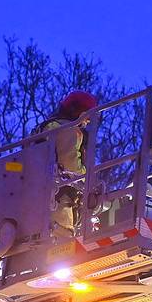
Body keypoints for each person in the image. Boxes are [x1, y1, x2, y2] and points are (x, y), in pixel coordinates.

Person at [34, 91, 98, 235]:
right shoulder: (69, 131)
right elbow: (71, 167)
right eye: (86, 116)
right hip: (58, 199)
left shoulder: (47, 127)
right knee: (63, 240)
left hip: (35, 198)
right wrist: (88, 178)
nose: (87, 122)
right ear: (77, 112)